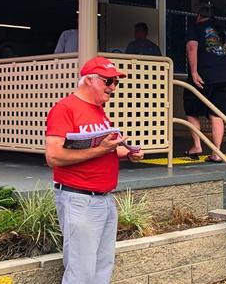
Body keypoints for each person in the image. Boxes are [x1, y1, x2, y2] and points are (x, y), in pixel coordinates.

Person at [44, 56, 144, 283]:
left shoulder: (99, 110)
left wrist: (128, 153)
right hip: (79, 198)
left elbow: (105, 149)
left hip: (103, 198)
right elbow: (54, 156)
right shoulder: (65, 108)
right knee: (81, 271)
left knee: (102, 267)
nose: (113, 87)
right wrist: (102, 149)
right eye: (108, 81)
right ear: (88, 80)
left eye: (116, 83)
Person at [184, 3, 226, 161]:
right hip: (225, 78)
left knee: (191, 109)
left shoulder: (196, 27)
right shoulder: (224, 32)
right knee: (217, 114)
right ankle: (217, 152)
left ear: (199, 16)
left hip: (205, 76)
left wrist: (194, 72)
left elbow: (192, 47)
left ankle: (197, 146)